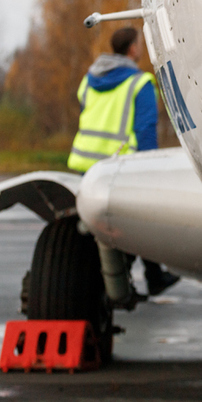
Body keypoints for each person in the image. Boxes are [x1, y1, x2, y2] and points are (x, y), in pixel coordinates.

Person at [69, 26, 180, 296]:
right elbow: (145, 129)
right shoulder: (139, 83)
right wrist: (150, 167)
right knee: (141, 223)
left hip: (86, 164)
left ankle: (107, 283)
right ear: (132, 48)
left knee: (97, 231)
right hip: (119, 166)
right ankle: (151, 278)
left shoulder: (89, 79)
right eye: (139, 43)